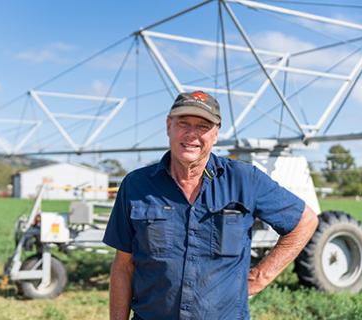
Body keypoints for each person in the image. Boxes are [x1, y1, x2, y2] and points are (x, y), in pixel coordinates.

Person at [103, 90, 319, 320]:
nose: (192, 135)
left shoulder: (244, 180)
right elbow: (123, 266)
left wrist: (259, 278)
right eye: (184, 123)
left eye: (203, 127)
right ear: (169, 126)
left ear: (216, 134)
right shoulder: (136, 185)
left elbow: (305, 221)